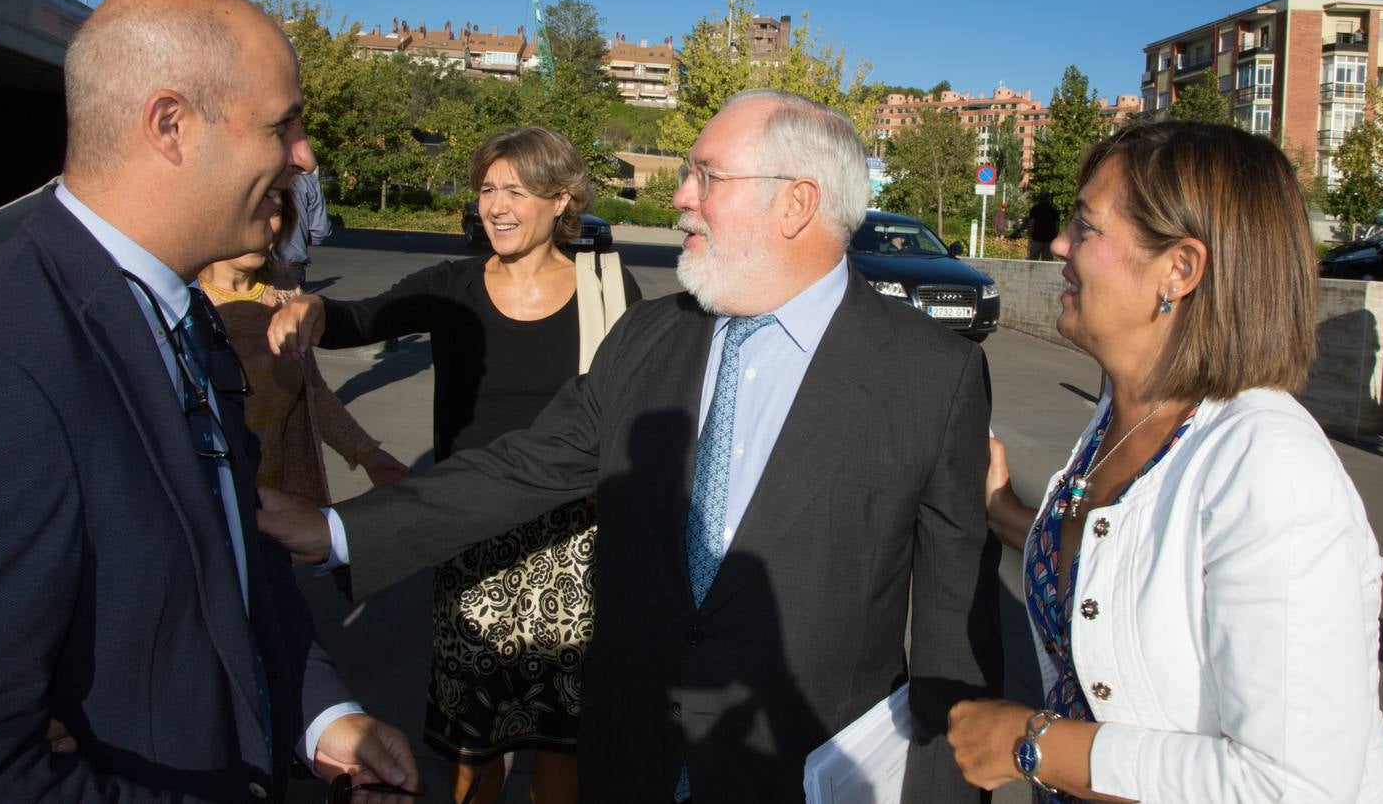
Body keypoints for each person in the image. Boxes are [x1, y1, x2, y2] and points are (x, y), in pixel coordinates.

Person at [260, 89, 1003, 802]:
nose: (681, 195)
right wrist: (336, 530)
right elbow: (525, 465)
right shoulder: (650, 337)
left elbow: (953, 642)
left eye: (706, 175)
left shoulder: (932, 376)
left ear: (797, 202)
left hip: (800, 770)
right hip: (629, 761)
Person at [0, 0, 418, 800]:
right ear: (170, 125)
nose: (305, 155)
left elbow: (234, 556)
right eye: (283, 123)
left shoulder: (186, 317)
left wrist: (321, 715)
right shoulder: (3, 359)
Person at [949, 120, 1383, 802]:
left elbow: (1295, 786)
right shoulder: (1125, 416)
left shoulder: (1271, 469)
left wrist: (1032, 744)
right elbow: (1127, 566)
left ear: (1180, 269)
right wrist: (1005, 511)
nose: (1060, 244)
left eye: (1087, 226)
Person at [267, 126, 641, 804]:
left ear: (561, 201)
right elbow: (361, 317)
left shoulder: (608, 289)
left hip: (574, 544)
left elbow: (640, 408)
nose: (495, 205)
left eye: (516, 190)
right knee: (475, 740)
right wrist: (312, 307)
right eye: (487, 189)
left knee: (561, 738)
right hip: (466, 537)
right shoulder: (453, 286)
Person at [197, 188, 410, 503]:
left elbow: (313, 390)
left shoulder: (283, 289)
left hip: (285, 495)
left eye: (276, 212)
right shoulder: (185, 301)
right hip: (216, 500)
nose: (266, 225)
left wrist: (368, 454)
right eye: (252, 210)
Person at [278, 167, 331, 287]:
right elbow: (320, 231)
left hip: (255, 268)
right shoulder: (307, 179)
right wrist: (299, 239)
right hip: (292, 266)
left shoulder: (252, 173)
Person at [1026, 193, 1059, 261]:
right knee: (1048, 262)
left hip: (1036, 238)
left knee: (1032, 261)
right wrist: (1055, 237)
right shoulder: (1053, 210)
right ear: (1049, 199)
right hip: (1049, 239)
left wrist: (1029, 235)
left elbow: (1032, 223)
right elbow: (1057, 226)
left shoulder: (1035, 209)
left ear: (1039, 199)